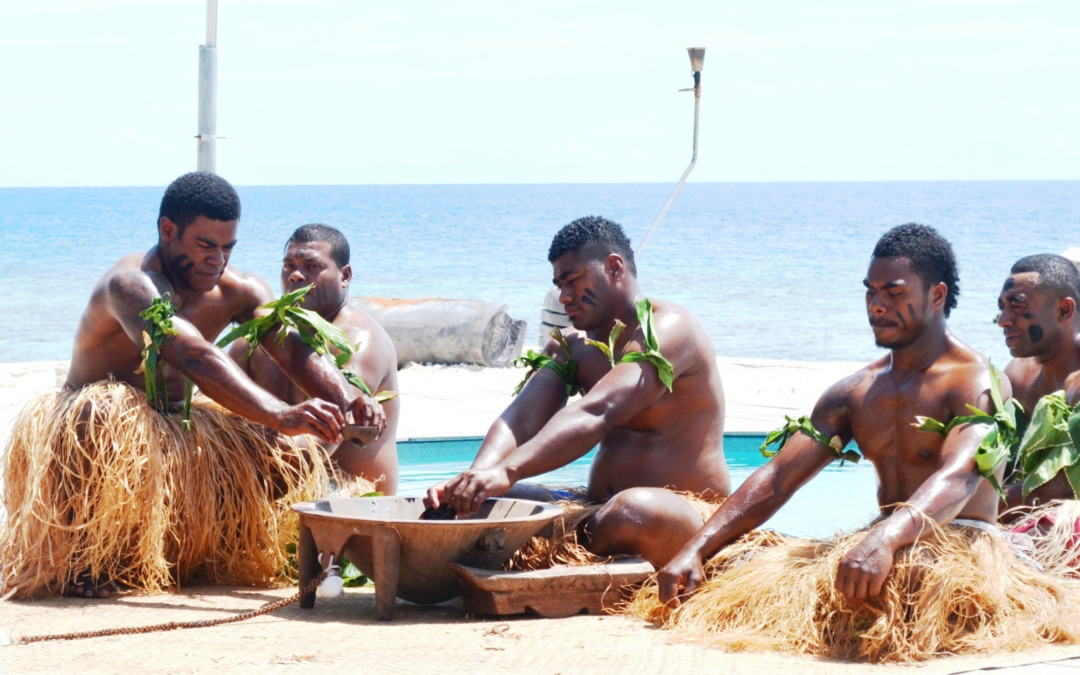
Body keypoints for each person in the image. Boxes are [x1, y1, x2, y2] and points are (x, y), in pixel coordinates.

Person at [629, 224, 1080, 662]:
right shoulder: (855, 391)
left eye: (894, 293)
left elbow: (960, 474)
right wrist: (696, 548)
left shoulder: (976, 381)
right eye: (871, 291)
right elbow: (779, 477)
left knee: (916, 570)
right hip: (879, 544)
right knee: (747, 571)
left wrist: (886, 539)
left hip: (953, 550)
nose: (877, 306)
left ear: (936, 295)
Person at [0, 172, 385, 599]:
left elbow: (292, 347)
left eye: (228, 247)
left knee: (287, 458)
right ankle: (89, 555)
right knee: (99, 413)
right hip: (96, 440)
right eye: (206, 246)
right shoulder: (131, 286)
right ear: (168, 231)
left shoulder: (240, 289)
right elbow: (193, 355)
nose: (218, 260)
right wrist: (281, 414)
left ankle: (201, 551)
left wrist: (348, 398)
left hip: (179, 427)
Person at [426, 215, 730, 568]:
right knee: (497, 500)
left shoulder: (668, 330)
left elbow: (597, 412)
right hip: (597, 511)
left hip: (686, 514)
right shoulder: (572, 347)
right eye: (558, 284)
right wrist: (474, 483)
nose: (563, 296)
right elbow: (520, 418)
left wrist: (507, 472)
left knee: (632, 511)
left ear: (614, 268)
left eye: (572, 280)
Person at [229, 223, 400, 494]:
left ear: (344, 276)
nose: (296, 275)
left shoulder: (358, 341)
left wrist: (230, 456)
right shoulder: (256, 340)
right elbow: (221, 402)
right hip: (272, 497)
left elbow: (326, 439)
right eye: (288, 267)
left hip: (350, 505)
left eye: (312, 267)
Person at [997, 254, 1080, 507]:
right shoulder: (1016, 375)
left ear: (1064, 309)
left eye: (1018, 307)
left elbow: (1057, 489)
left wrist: (965, 509)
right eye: (1002, 308)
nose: (1002, 321)